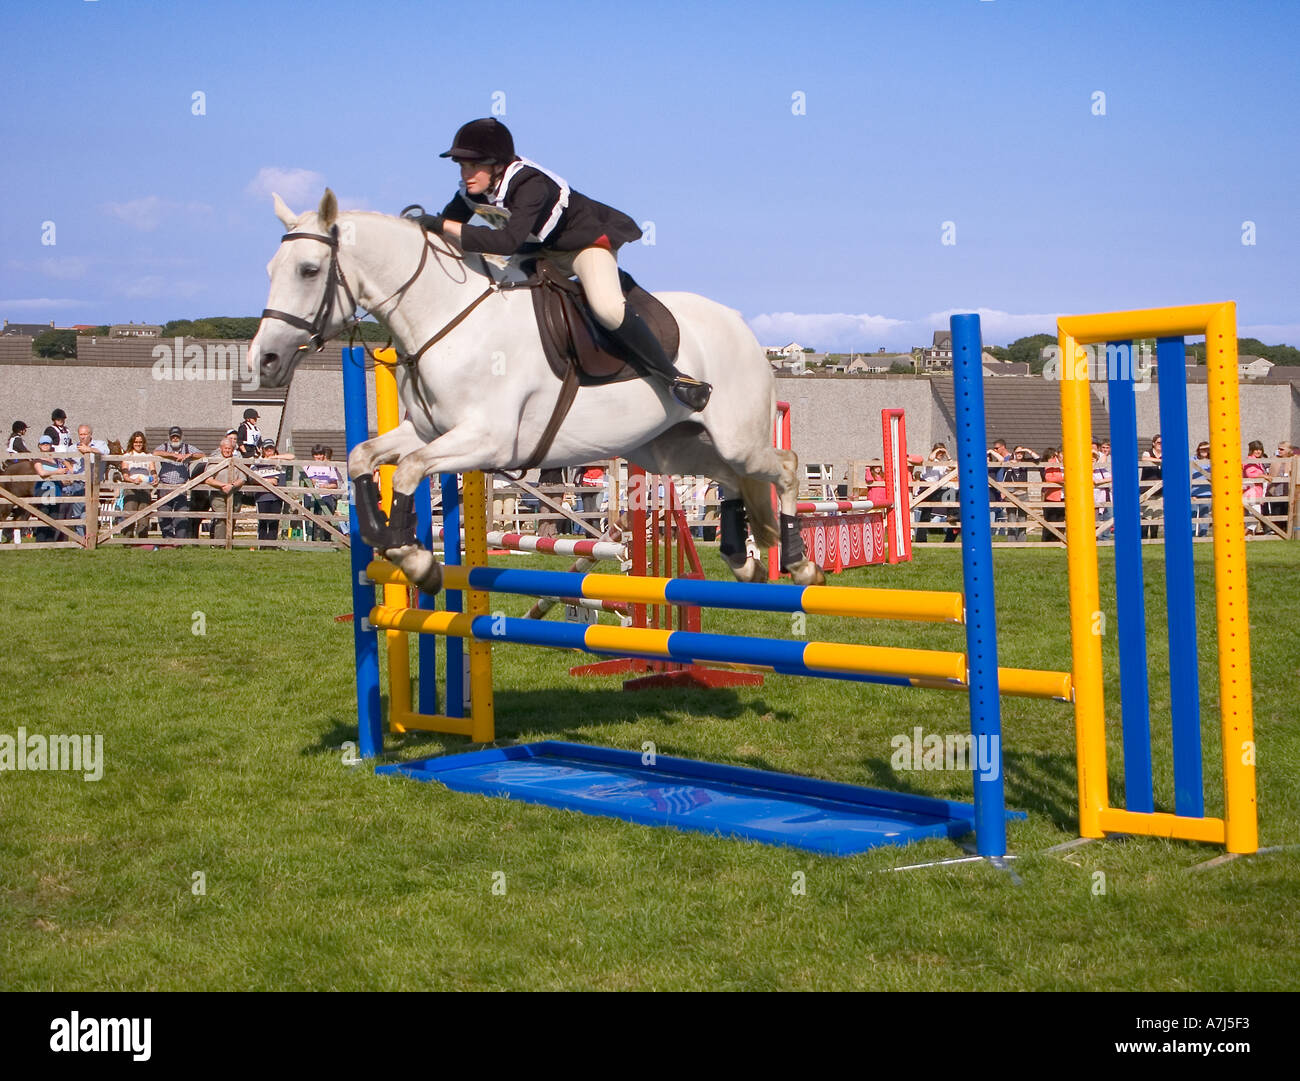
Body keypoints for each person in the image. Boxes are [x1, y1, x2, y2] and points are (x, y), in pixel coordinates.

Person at [409, 117, 711, 412]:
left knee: (607, 308)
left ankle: (674, 378)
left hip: (583, 246)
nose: (466, 173)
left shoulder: (529, 183)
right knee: (496, 297)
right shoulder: (472, 191)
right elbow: (448, 231)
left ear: (497, 165)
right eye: (462, 165)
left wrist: (440, 224)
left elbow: (505, 242)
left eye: (473, 165)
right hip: (537, 253)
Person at [154, 426, 206, 541]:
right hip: (165, 486)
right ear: (169, 437)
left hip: (181, 487)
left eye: (177, 436)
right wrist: (173, 455)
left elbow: (202, 455)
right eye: (173, 437)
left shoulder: (187, 447)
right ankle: (167, 540)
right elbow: (155, 452)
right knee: (164, 514)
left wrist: (190, 456)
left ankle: (179, 542)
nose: (175, 439)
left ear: (181, 437)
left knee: (181, 515)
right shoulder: (165, 446)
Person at [61, 424, 110, 538]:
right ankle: (82, 540)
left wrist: (89, 450)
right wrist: (71, 470)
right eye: (80, 434)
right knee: (78, 513)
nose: (82, 437)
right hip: (79, 483)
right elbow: (64, 459)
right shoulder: (73, 448)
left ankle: (91, 538)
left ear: (90, 434)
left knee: (91, 513)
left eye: (85, 434)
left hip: (94, 484)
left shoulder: (100, 444)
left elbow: (106, 453)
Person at [251, 440, 293, 545]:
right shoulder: (258, 462)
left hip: (277, 496)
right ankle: (262, 544)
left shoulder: (279, 461)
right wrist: (267, 481)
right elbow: (251, 478)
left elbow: (292, 456)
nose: (269, 451)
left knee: (275, 520)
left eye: (271, 448)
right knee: (263, 520)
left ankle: (272, 545)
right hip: (262, 496)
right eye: (267, 449)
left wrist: (273, 458)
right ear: (263, 450)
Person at [205, 434, 245, 541]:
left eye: (230, 448)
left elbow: (243, 478)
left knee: (232, 519)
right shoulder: (215, 461)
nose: (227, 450)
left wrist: (232, 486)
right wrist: (223, 486)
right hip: (218, 495)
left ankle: (229, 543)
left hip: (235, 494)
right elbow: (208, 479)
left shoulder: (237, 460)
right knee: (221, 518)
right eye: (225, 448)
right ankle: (219, 544)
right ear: (221, 449)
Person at [119, 431, 157, 540]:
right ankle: (127, 540)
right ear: (132, 442)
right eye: (136, 442)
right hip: (131, 488)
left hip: (145, 488)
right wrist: (131, 480)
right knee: (129, 513)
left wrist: (155, 478)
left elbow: (153, 470)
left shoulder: (148, 456)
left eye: (140, 442)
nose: (138, 444)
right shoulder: (127, 455)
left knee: (144, 515)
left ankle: (142, 540)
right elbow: (125, 474)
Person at [31, 434, 69, 541]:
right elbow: (42, 473)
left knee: (54, 517)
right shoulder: (38, 460)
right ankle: (41, 542)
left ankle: (50, 543)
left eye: (47, 444)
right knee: (44, 516)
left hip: (55, 490)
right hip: (44, 491)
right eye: (43, 444)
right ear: (39, 445)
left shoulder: (55, 460)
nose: (45, 446)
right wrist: (58, 471)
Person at [302, 444, 341, 541]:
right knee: (310, 518)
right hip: (310, 496)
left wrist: (325, 486)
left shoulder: (330, 467)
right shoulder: (307, 467)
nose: (318, 457)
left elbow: (335, 485)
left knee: (327, 518)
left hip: (325, 495)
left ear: (324, 455)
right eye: (316, 455)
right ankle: (311, 539)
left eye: (320, 454)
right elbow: (302, 484)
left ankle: (327, 540)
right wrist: (310, 482)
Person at [1266, 441, 1294, 535]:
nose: (1279, 451)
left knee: (1287, 512)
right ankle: (1276, 532)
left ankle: (1287, 532)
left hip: (1288, 491)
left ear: (1289, 450)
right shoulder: (1274, 460)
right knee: (1276, 512)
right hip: (1276, 491)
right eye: (1278, 449)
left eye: (1282, 449)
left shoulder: (1294, 460)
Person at [1242, 439, 1268, 535]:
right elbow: (1250, 473)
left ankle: (1246, 535)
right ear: (1251, 450)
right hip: (1251, 492)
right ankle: (1242, 535)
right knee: (1256, 515)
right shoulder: (1250, 460)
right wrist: (1263, 476)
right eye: (1256, 449)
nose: (1258, 451)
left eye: (1260, 449)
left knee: (1252, 516)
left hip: (1255, 491)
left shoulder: (1258, 461)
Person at [1139, 434, 1162, 539]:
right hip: (1147, 489)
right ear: (1153, 443)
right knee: (1146, 514)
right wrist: (1160, 461)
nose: (1160, 445)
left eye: (1162, 443)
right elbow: (1144, 458)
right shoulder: (1148, 452)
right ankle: (1143, 537)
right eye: (1158, 442)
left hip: (1160, 490)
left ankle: (1154, 538)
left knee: (1156, 514)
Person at [1040, 448, 1065, 537]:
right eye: (1063, 453)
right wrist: (1064, 478)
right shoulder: (1051, 462)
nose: (1064, 456)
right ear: (1058, 454)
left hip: (1065, 496)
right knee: (1050, 521)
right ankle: (1047, 543)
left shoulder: (1070, 463)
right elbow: (1049, 478)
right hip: (1052, 496)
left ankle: (1060, 541)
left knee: (1061, 520)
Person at [1189, 441, 1212, 538]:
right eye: (1202, 449)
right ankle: (1192, 535)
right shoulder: (1192, 459)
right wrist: (1190, 493)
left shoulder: (1212, 461)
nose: (1204, 451)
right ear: (1198, 450)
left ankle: (1203, 535)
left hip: (1207, 491)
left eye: (1206, 449)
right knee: (1192, 514)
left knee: (1205, 515)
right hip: (1193, 492)